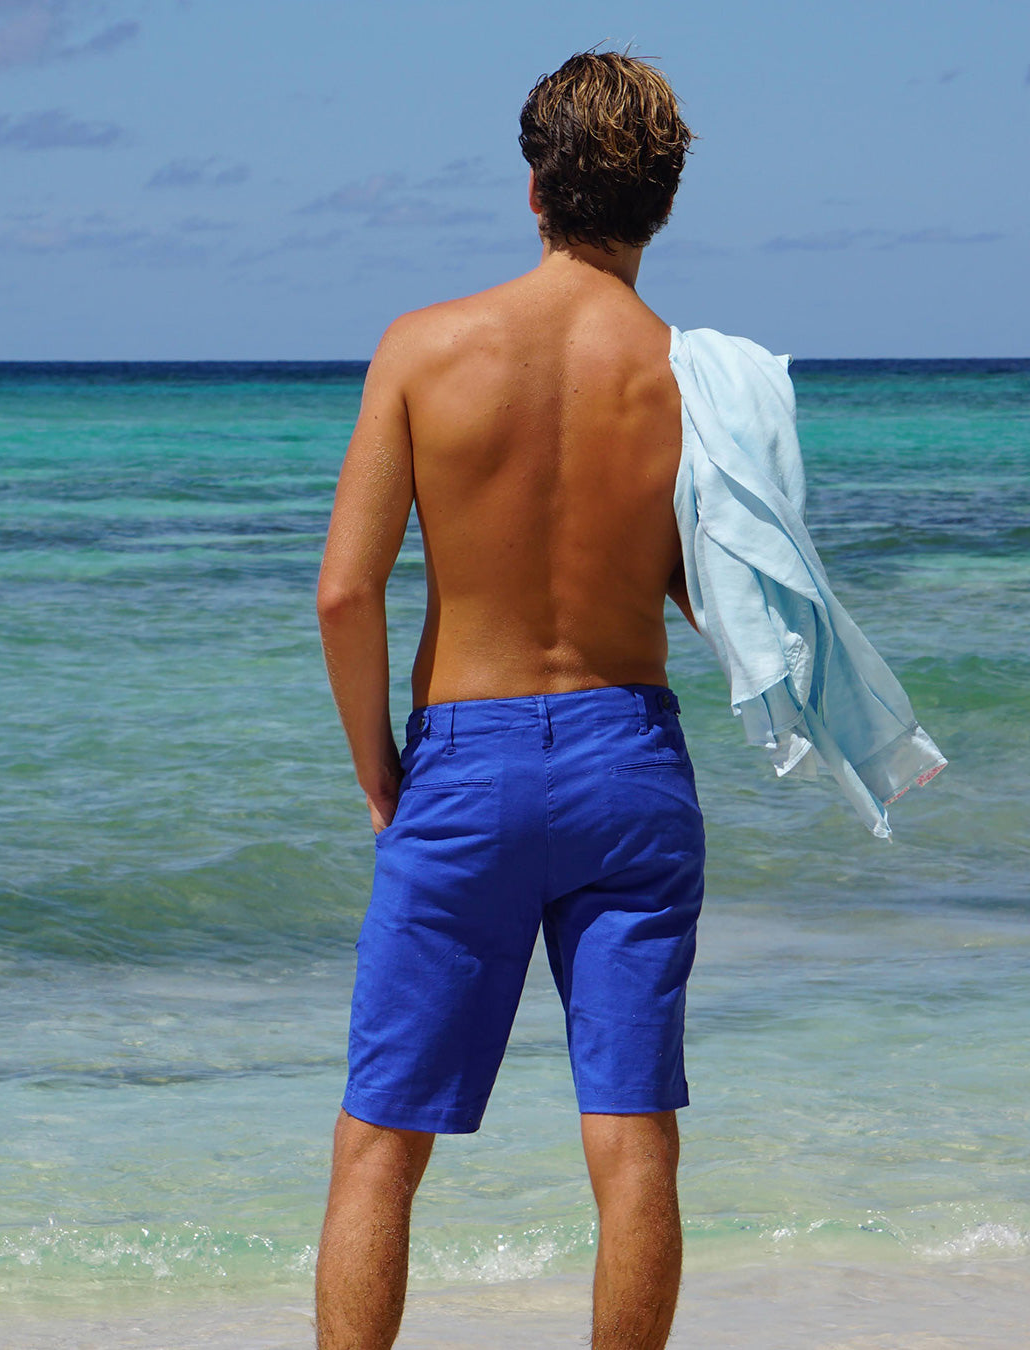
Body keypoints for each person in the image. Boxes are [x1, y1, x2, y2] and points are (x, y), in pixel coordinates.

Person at [315, 50, 701, 1349]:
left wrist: (378, 763)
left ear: (536, 190)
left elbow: (346, 593)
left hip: (464, 764)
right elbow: (724, 598)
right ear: (660, 204)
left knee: (380, 1144)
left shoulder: (423, 349)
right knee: (634, 1139)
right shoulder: (689, 375)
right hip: (629, 759)